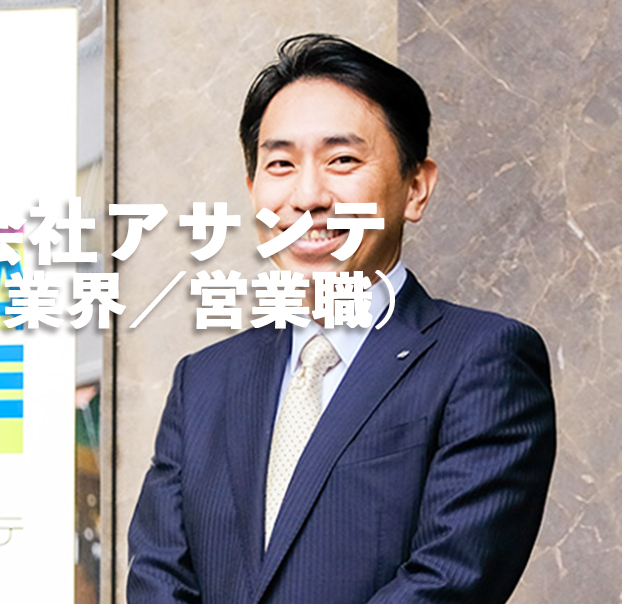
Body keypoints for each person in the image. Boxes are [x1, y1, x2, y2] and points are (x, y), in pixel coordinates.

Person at [127, 34, 557, 604]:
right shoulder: (203, 381)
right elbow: (159, 580)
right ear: (253, 190)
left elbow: (449, 581)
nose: (308, 196)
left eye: (343, 161)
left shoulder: (484, 359)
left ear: (416, 187)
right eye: (280, 164)